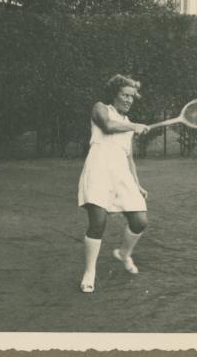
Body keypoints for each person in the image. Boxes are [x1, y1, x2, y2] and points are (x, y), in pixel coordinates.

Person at [77, 74, 149, 293]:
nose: (128, 100)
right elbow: (107, 126)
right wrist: (134, 126)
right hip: (98, 170)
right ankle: (90, 272)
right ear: (114, 94)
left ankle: (124, 253)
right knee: (98, 222)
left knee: (140, 221)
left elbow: (129, 158)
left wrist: (137, 184)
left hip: (121, 174)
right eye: (124, 95)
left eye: (132, 97)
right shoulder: (100, 108)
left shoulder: (128, 123)